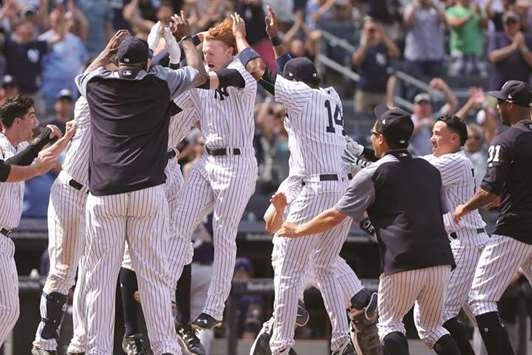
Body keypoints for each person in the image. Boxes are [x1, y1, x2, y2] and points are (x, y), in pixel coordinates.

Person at [73, 12, 208, 353]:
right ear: (149, 62)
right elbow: (198, 73)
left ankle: (98, 349)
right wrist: (188, 38)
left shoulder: (97, 83)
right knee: (155, 278)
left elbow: (87, 73)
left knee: (100, 281)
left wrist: (108, 51)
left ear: (117, 62)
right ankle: (165, 348)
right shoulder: (158, 84)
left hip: (104, 194)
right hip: (148, 191)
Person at [278, 106, 460, 355]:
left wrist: (299, 229)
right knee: (433, 329)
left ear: (382, 140)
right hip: (440, 260)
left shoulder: (372, 172)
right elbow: (441, 213)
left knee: (390, 324)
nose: (371, 138)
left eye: (374, 133)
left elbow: (334, 215)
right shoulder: (430, 169)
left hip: (403, 259)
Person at [171, 15, 259, 332]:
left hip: (237, 165)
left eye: (212, 51)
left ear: (230, 52)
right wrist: (191, 39)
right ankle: (164, 290)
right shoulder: (202, 72)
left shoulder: (240, 74)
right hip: (208, 161)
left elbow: (203, 78)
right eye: (204, 50)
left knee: (223, 233)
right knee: (177, 223)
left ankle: (215, 307)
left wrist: (188, 41)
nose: (206, 56)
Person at [454, 80, 532, 355]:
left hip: (515, 227)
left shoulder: (506, 140)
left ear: (510, 105)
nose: (498, 106)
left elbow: (489, 191)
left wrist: (464, 207)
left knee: (481, 298)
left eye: (501, 102)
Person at [0, 95, 76, 348]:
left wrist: (65, 140)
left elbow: (40, 158)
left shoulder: (20, 147)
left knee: (10, 311)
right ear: (17, 121)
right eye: (31, 116)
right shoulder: (1, 144)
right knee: (7, 309)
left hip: (7, 239)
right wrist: (42, 142)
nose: (35, 121)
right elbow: (7, 170)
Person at [422, 115, 490, 355]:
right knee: (482, 312)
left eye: (437, 134)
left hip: (465, 242)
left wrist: (378, 160)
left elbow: (412, 170)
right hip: (467, 240)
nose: (432, 138)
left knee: (440, 315)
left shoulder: (455, 161)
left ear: (454, 138)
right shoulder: (444, 159)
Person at [351, 17, 399, 114]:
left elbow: (396, 53)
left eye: (373, 30)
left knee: (385, 121)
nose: (372, 33)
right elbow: (356, 60)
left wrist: (383, 36)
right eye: (369, 30)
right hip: (365, 91)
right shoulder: (362, 46)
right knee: (359, 120)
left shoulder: (383, 46)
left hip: (382, 92)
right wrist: (365, 42)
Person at [407, 78, 458, 156]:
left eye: (426, 104)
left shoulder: (436, 118)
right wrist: (423, 123)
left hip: (433, 163)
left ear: (431, 107)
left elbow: (453, 104)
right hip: (415, 162)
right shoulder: (409, 120)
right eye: (420, 104)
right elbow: (407, 133)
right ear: (414, 107)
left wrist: (443, 86)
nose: (423, 107)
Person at [487, 11, 532, 90]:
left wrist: (522, 47)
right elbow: (493, 57)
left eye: (513, 22)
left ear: (519, 23)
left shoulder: (528, 38)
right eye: (508, 23)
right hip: (499, 88)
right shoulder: (497, 37)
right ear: (504, 24)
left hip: (522, 89)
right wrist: (513, 47)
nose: (511, 25)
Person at [403, 0, 447, 80]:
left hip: (435, 56)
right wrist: (415, 7)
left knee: (436, 88)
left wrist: (434, 6)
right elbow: (407, 23)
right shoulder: (410, 6)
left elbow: (445, 23)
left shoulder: (438, 5)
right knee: (415, 89)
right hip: (415, 57)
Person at [446, 0, 489, 76]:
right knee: (457, 82)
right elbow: (455, 24)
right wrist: (471, 15)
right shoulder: (452, 10)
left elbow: (485, 26)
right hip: (459, 53)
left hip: (476, 53)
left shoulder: (477, 10)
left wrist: (480, 13)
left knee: (477, 83)